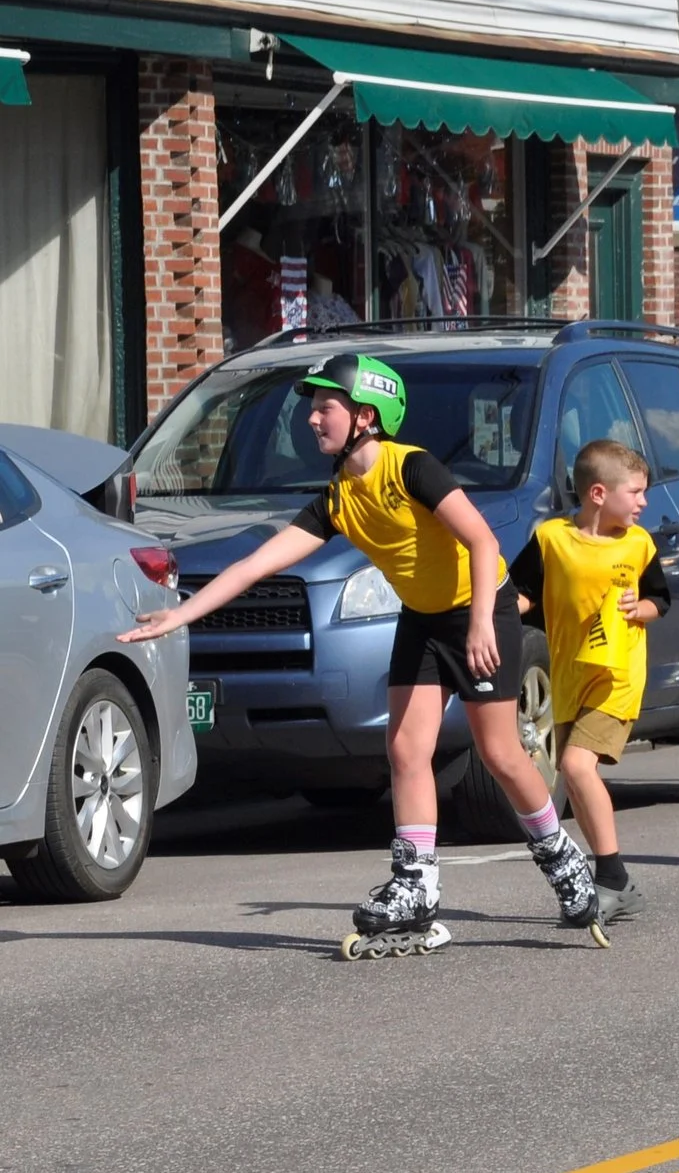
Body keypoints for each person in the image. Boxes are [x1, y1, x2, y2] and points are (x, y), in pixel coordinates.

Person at [120, 353, 596, 956]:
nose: (312, 420)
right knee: (403, 749)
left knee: (500, 752)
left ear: (365, 416)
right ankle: (416, 883)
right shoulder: (339, 497)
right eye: (313, 409)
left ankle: (563, 862)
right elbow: (256, 564)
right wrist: (178, 615)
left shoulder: (412, 469)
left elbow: (480, 538)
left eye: (325, 408)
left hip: (482, 606)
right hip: (423, 618)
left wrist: (480, 623)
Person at [509, 440, 672, 925]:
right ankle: (615, 882)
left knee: (579, 768)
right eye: (637, 492)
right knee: (574, 780)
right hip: (569, 673)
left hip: (618, 675)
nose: (644, 502)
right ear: (598, 493)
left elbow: (661, 599)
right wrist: (488, 621)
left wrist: (639, 609)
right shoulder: (552, 539)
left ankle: (612, 877)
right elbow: (522, 594)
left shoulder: (639, 544)